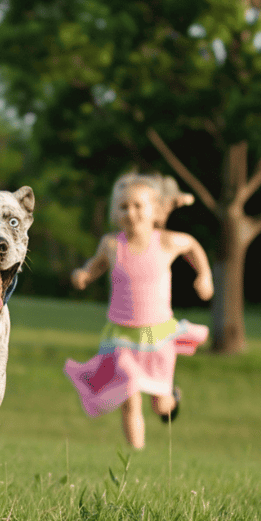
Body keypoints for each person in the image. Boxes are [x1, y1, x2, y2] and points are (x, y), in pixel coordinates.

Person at [64, 177, 214, 449]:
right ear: (115, 213)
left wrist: (204, 276)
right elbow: (97, 266)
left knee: (160, 404)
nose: (130, 212)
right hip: (122, 336)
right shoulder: (111, 245)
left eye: (137, 205)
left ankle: (172, 399)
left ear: (155, 210)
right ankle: (137, 456)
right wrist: (85, 275)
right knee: (129, 392)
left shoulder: (166, 242)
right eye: (123, 207)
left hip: (158, 336)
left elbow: (191, 245)